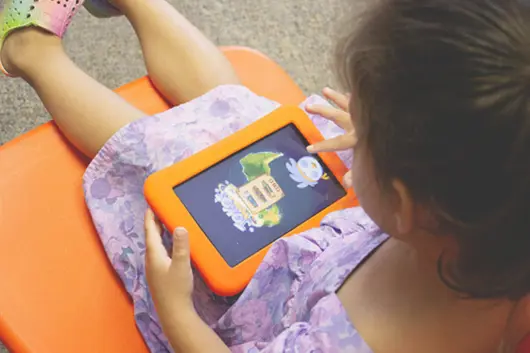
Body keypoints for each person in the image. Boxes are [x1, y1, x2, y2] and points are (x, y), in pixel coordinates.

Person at [2, 0, 530, 351]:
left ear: (405, 201)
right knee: (245, 115)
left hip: (232, 296)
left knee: (166, 151)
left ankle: (29, 51)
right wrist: (374, 143)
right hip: (326, 233)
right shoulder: (500, 222)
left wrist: (177, 312)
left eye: (366, 130)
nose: (355, 125)